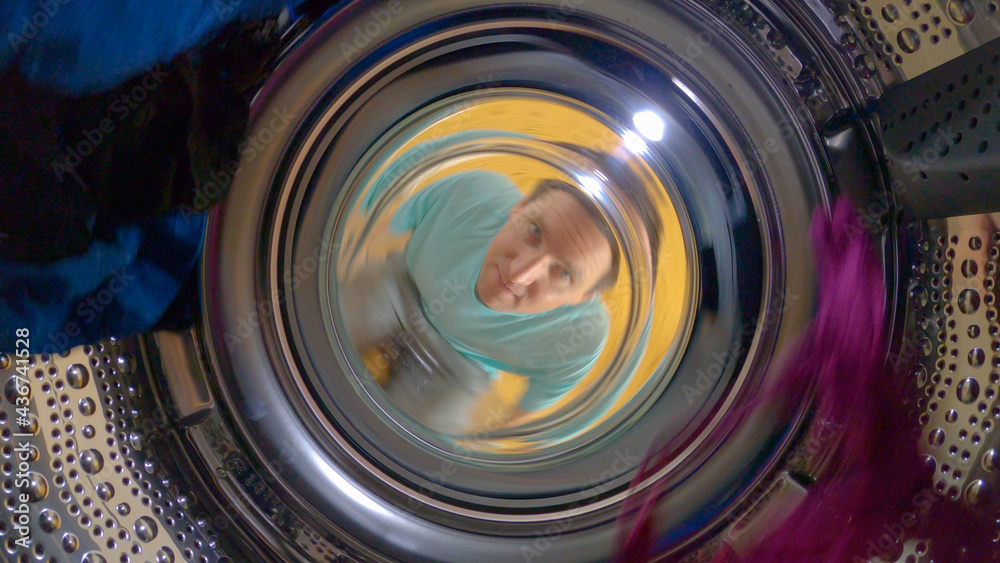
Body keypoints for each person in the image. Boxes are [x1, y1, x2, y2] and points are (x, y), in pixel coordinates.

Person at [344, 169, 617, 434]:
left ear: (582, 297)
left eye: (564, 272)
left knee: (419, 436)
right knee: (337, 323)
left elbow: (523, 414)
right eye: (535, 230)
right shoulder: (472, 193)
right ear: (519, 208)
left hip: (460, 366)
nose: (520, 274)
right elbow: (376, 222)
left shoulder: (582, 334)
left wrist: (484, 447)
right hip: (401, 285)